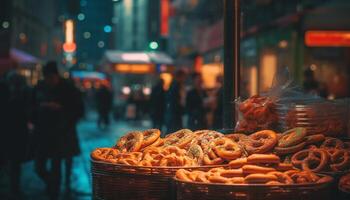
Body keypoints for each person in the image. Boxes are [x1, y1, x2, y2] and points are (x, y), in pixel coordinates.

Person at [32, 61, 84, 199]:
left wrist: (61, 109)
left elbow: (78, 110)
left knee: (57, 165)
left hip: (62, 133)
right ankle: (52, 184)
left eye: (51, 77)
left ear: (56, 75)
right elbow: (31, 106)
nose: (49, 81)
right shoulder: (40, 87)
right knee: (39, 166)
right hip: (43, 132)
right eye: (47, 78)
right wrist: (40, 108)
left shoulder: (68, 88)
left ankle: (55, 191)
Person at [5, 71, 31, 196]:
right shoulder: (23, 95)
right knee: (15, 163)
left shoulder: (11, 95)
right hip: (16, 132)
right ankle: (14, 188)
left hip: (11, 132)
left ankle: (13, 188)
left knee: (13, 162)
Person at [164, 70, 186, 134]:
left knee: (172, 132)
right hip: (175, 113)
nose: (184, 79)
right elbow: (178, 100)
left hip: (172, 112)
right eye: (183, 77)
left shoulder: (172, 85)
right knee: (175, 132)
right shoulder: (177, 86)